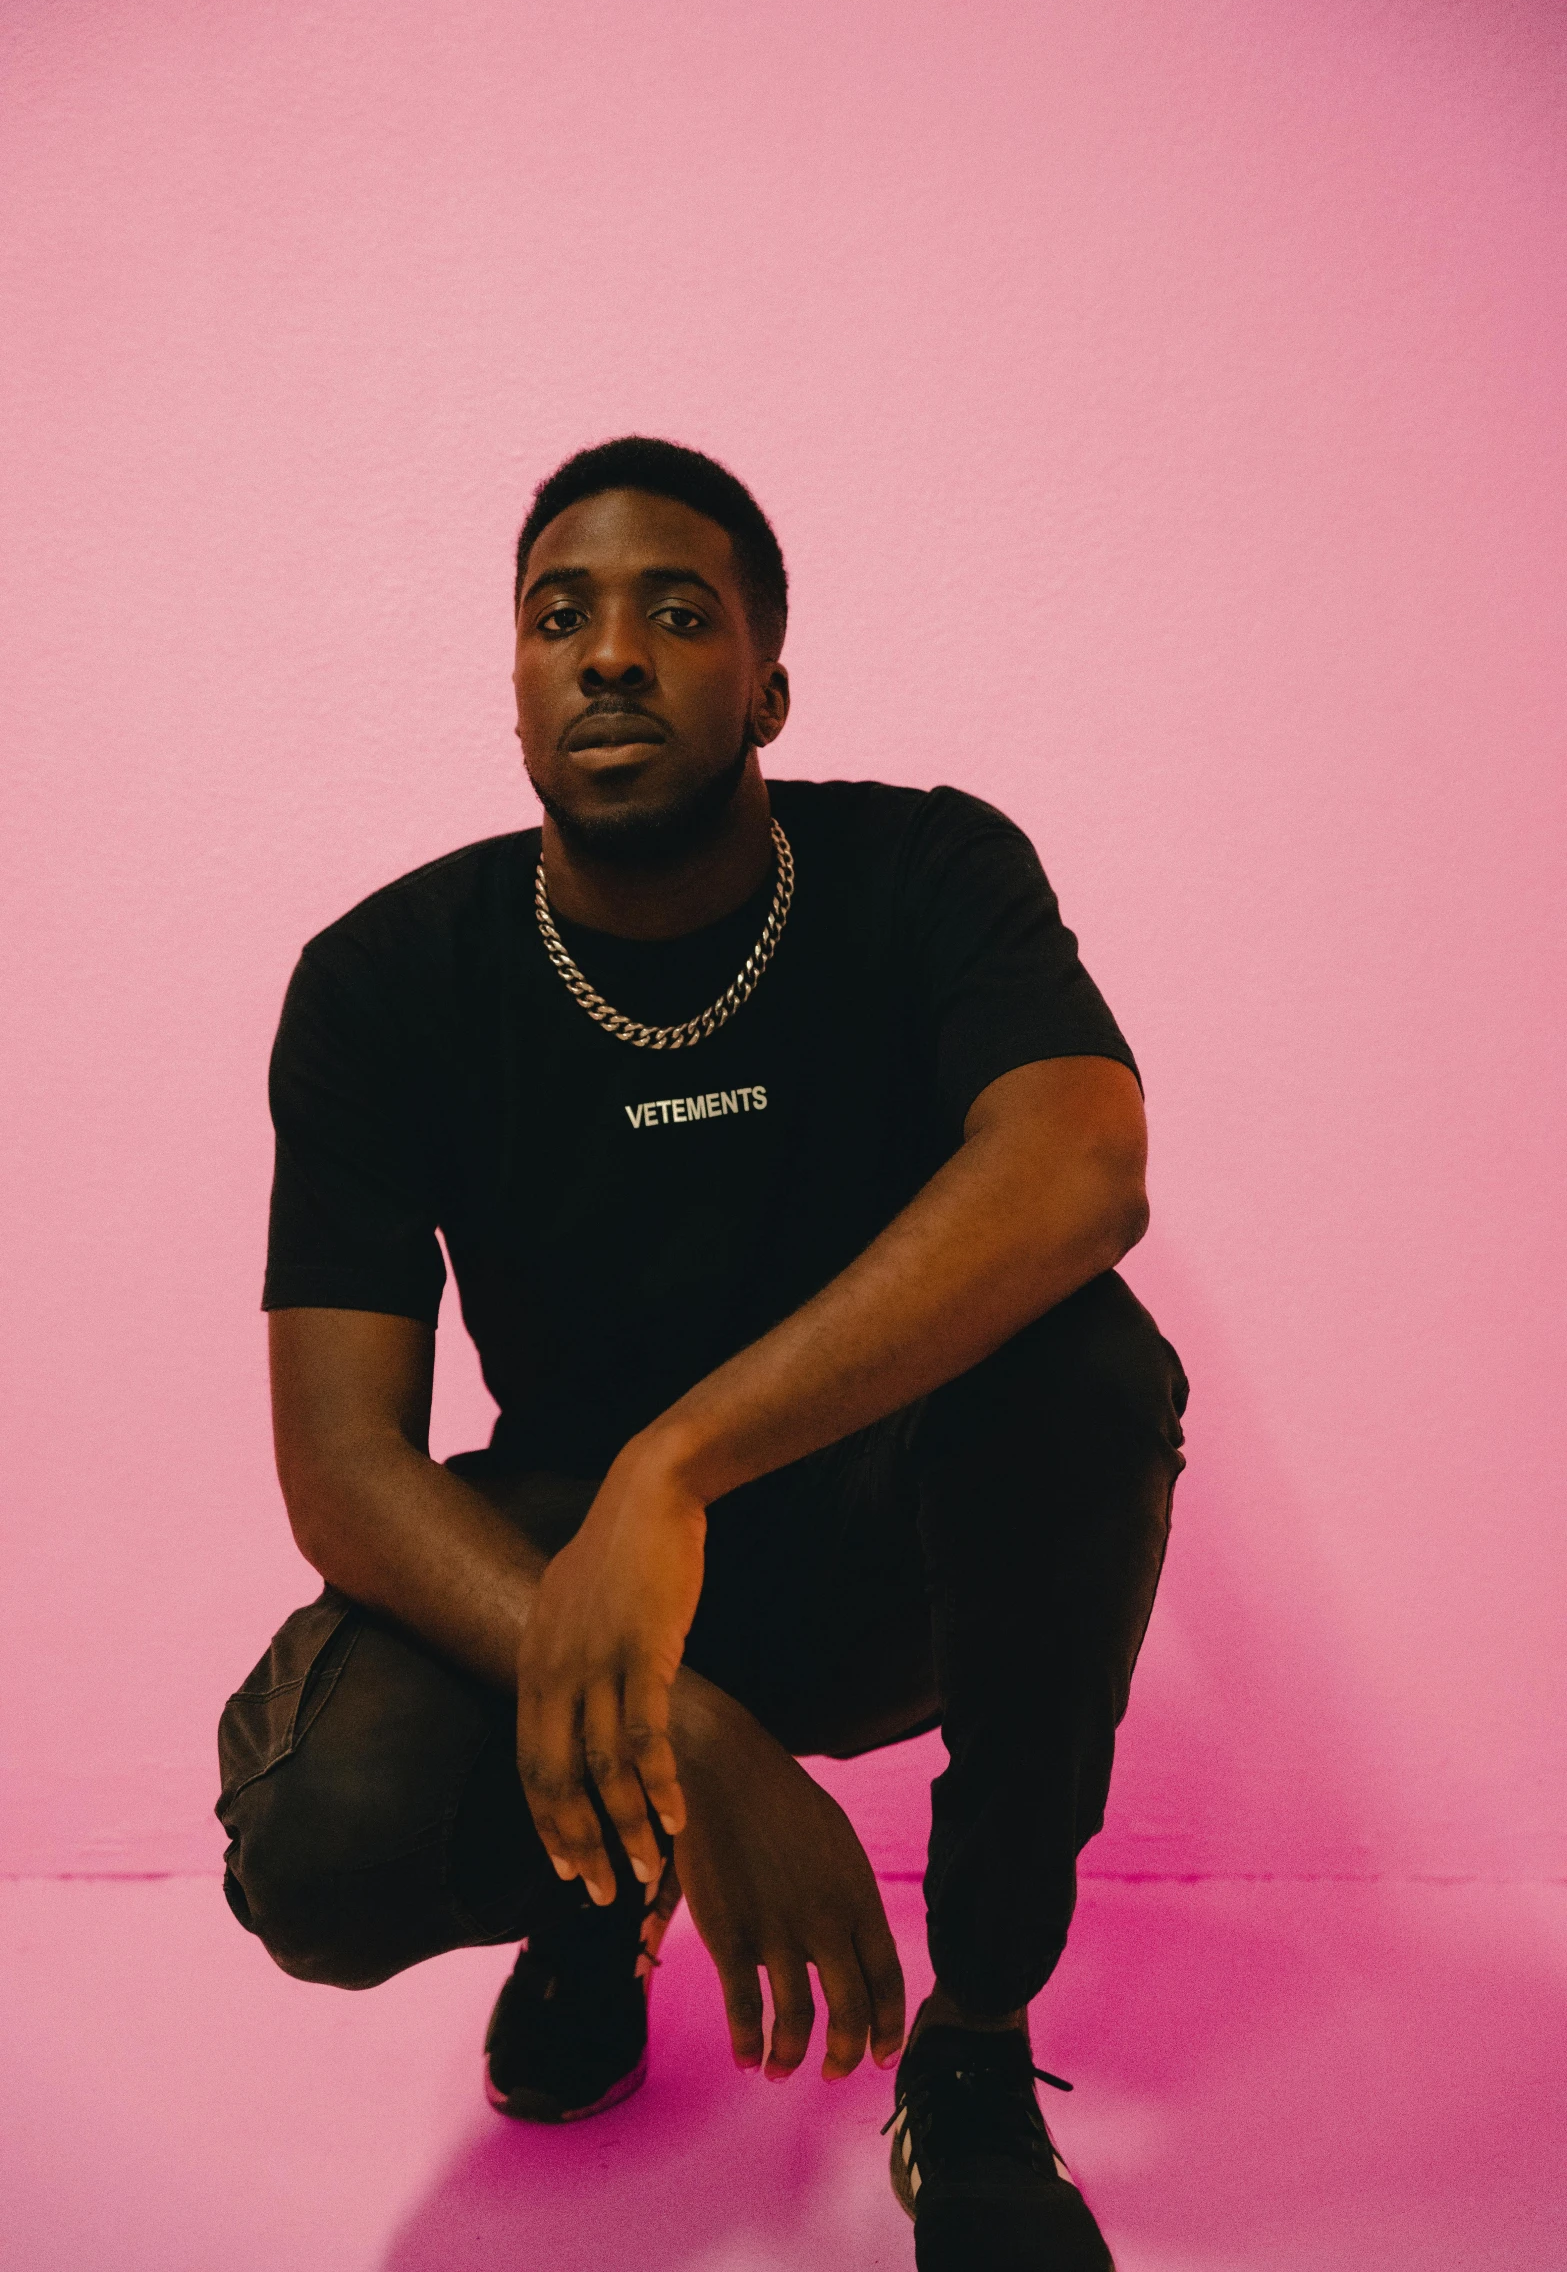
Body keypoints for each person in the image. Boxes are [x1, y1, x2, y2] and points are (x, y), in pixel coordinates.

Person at [216, 435, 1188, 2272]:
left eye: (676, 612)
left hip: (888, 1546)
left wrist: (683, 1465)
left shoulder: (923, 867)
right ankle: (605, 1887)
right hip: (582, 1563)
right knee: (315, 1827)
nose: (607, 653)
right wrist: (687, 1728)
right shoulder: (381, 983)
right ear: (512, 688)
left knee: (1084, 1374)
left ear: (768, 683)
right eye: (556, 616)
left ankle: (972, 2051)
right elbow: (339, 1461)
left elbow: (1083, 1159)